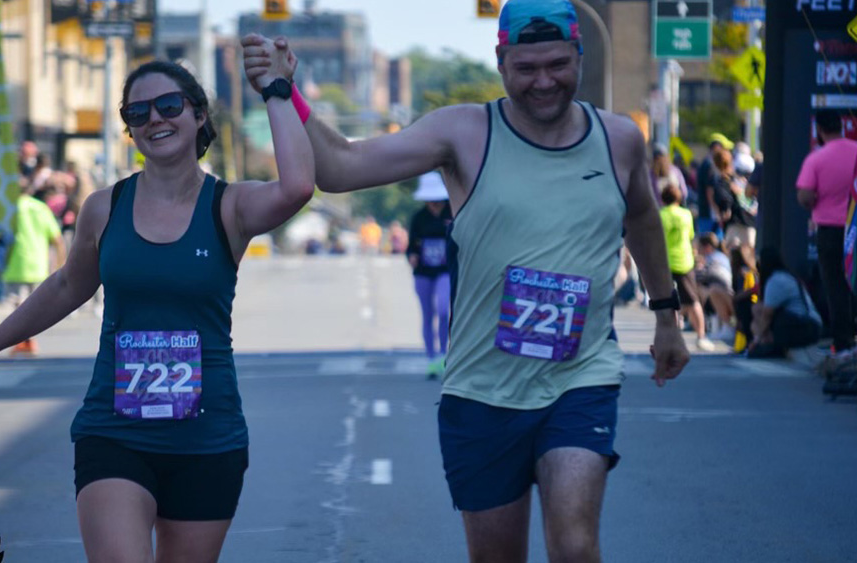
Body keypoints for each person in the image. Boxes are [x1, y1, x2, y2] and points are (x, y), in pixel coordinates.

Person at [243, 0, 691, 559]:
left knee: (575, 546)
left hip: (581, 379)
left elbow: (643, 218)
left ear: (579, 55)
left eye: (557, 64)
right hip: (483, 392)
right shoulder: (464, 132)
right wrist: (284, 92)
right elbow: (341, 168)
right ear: (501, 63)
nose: (544, 81)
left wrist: (666, 315)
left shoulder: (619, 139)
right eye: (526, 69)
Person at [0, 58, 314, 562]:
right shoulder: (104, 208)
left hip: (207, 436)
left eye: (169, 105)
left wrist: (276, 90)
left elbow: (298, 186)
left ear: (198, 116)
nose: (154, 118)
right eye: (138, 112)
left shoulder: (229, 207)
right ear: (130, 130)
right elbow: (69, 285)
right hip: (115, 432)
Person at [796, 109, 857, 359]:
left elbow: (805, 196)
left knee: (835, 285)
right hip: (854, 225)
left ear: (819, 130)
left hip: (831, 230)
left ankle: (843, 342)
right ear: (842, 126)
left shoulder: (816, 159)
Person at [2, 178, 66, 354]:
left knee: (18, 305)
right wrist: (61, 264)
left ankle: (24, 340)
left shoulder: (8, 208)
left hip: (14, 264)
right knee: (33, 305)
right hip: (37, 264)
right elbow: (57, 239)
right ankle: (27, 339)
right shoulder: (40, 208)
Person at [406, 171, 454, 379]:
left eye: (437, 200)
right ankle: (431, 358)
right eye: (429, 200)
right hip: (423, 272)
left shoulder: (451, 214)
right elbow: (410, 247)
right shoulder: (418, 218)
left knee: (443, 309)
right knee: (428, 314)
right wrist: (412, 256)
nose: (433, 204)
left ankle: (444, 353)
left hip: (444, 270)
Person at [659, 185, 713, 351]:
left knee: (667, 303)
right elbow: (690, 236)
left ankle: (671, 337)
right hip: (684, 262)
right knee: (693, 300)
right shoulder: (686, 214)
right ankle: (701, 336)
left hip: (665, 262)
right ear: (679, 198)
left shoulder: (661, 215)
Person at [747, 247, 823, 358]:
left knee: (763, 317)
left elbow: (767, 314)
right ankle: (766, 343)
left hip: (806, 326)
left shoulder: (776, 281)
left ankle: (767, 344)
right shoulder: (784, 276)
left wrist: (758, 338)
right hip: (808, 324)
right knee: (756, 312)